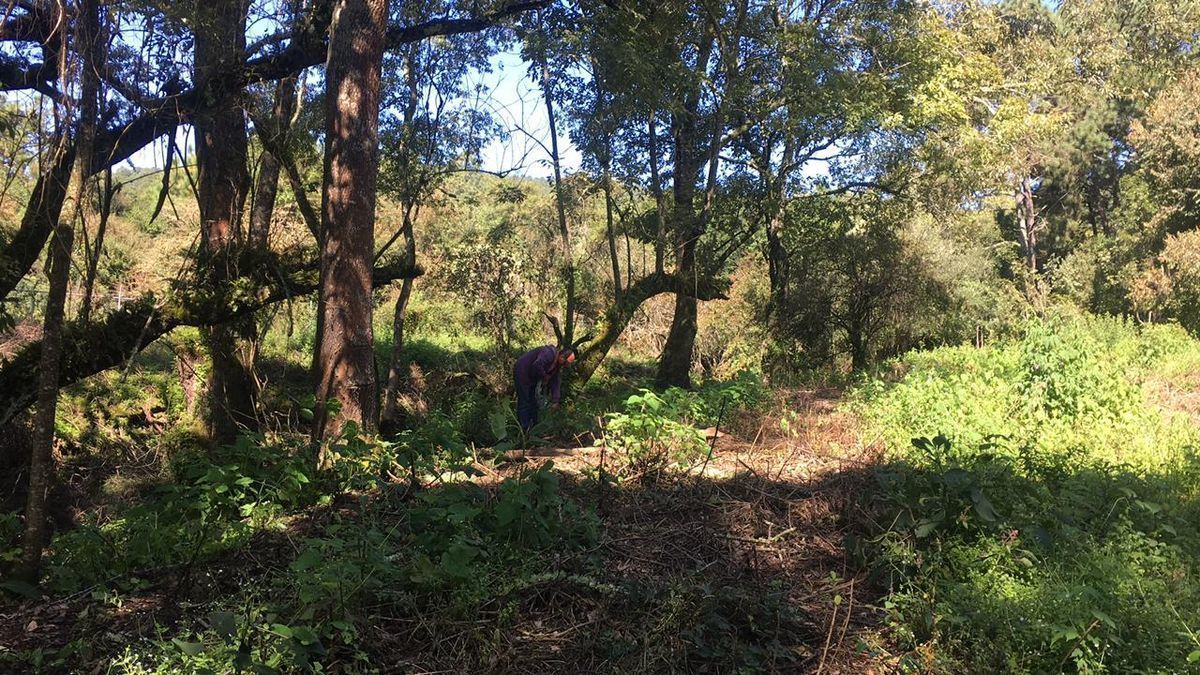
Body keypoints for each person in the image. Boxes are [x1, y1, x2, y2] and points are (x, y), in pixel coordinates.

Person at [513, 345, 575, 433]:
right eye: (565, 363)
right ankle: (523, 429)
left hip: (532, 377)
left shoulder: (557, 366)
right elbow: (537, 364)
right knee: (524, 401)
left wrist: (555, 400)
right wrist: (544, 376)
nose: (564, 366)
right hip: (522, 371)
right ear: (561, 357)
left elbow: (555, 382)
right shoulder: (548, 353)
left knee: (533, 402)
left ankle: (534, 429)